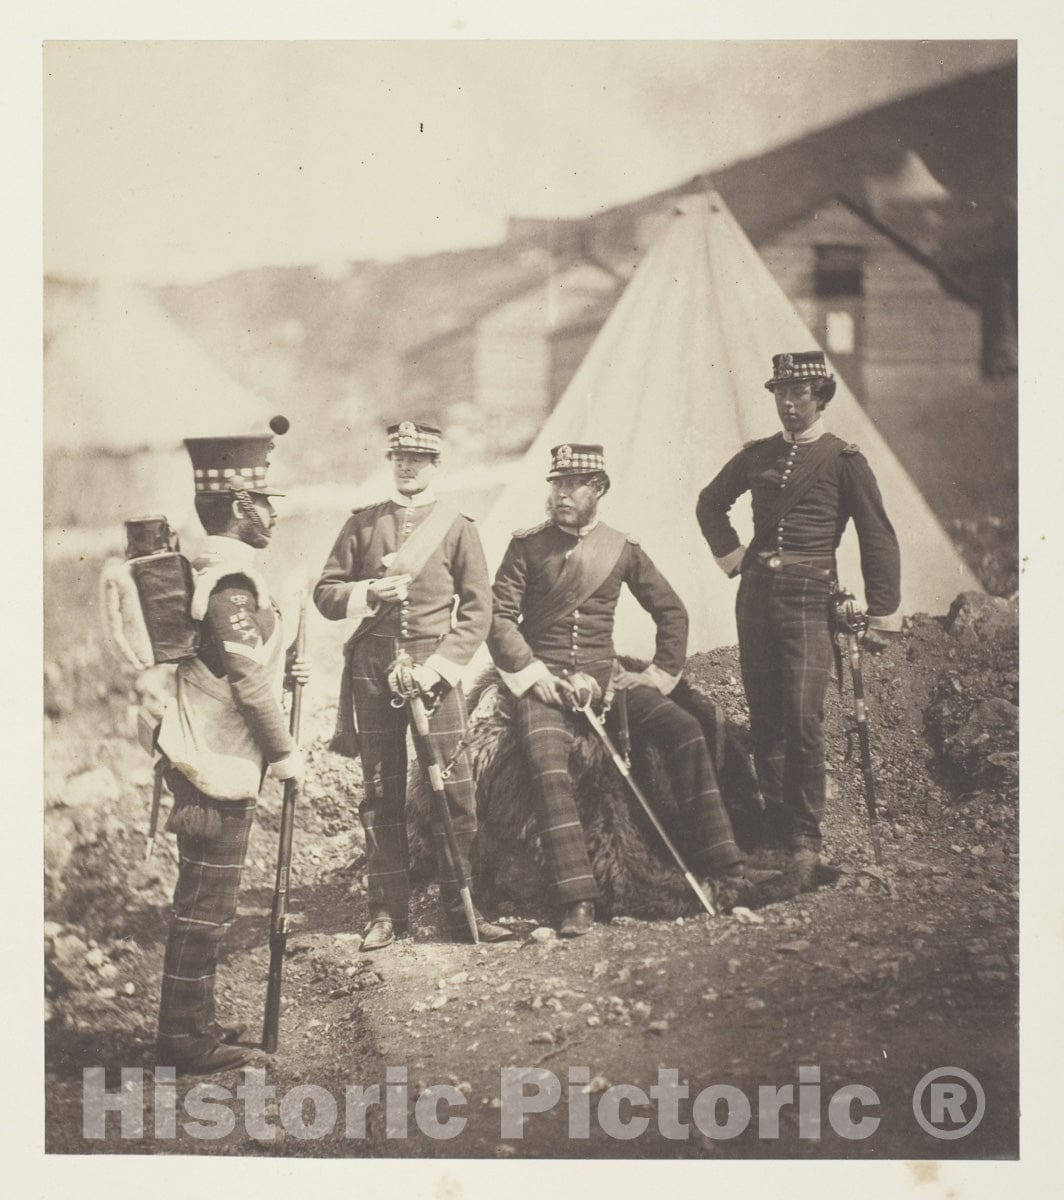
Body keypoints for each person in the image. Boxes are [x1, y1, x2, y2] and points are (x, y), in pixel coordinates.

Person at [488, 443, 780, 937]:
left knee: (684, 728)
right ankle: (577, 897)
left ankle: (724, 864)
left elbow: (672, 611)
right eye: (555, 484)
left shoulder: (622, 548)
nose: (561, 494)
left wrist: (659, 676)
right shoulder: (526, 546)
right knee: (545, 755)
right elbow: (499, 620)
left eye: (573, 485)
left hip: (607, 680)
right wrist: (537, 676)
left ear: (598, 489)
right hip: (544, 684)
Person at [696, 351, 901, 887]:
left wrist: (882, 614)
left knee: (803, 716)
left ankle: (807, 839)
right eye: (781, 393)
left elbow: (876, 534)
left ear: (821, 397)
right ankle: (773, 832)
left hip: (811, 600)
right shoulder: (758, 455)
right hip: (757, 599)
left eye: (799, 393)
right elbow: (709, 503)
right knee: (765, 717)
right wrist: (734, 558)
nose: (788, 403)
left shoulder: (843, 460)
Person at [314, 421, 512, 949]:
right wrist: (369, 592)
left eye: (417, 460)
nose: (406, 467)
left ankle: (461, 909)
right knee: (380, 792)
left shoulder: (457, 527)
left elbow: (477, 610)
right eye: (399, 458)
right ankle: (385, 913)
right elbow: (326, 593)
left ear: (435, 465)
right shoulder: (362, 524)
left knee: (453, 788)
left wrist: (440, 667)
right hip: (371, 671)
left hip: (433, 670)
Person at [154, 429, 308, 1076]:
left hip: (212, 765)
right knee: (204, 911)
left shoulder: (225, 576)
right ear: (242, 506)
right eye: (267, 500)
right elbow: (246, 681)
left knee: (206, 906)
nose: (276, 512)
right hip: (211, 769)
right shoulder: (230, 583)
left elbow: (253, 662)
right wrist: (285, 752)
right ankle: (184, 1043)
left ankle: (195, 1023)